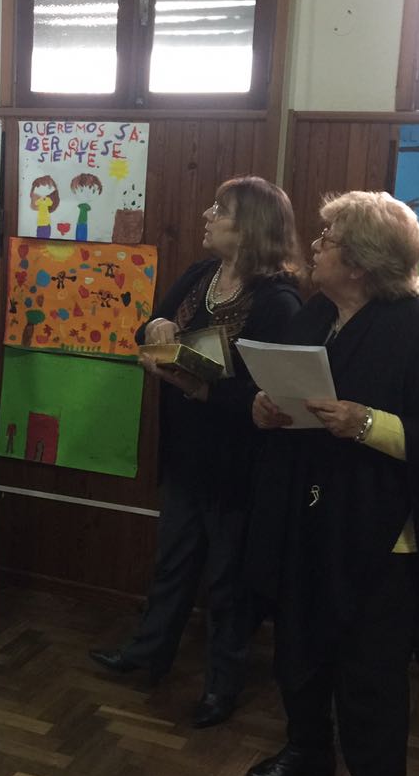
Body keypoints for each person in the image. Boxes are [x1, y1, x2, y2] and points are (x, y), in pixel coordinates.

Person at [245, 191, 419, 776]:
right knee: (299, 647)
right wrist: (267, 407)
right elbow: (290, 394)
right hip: (309, 515)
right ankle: (308, 751)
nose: (315, 246)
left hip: (384, 538)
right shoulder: (317, 313)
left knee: (369, 678)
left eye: (327, 238)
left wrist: (367, 424)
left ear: (360, 262)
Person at [89, 177, 304, 727]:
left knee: (229, 582)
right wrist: (157, 328)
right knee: (173, 561)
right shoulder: (200, 274)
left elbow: (265, 396)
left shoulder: (278, 301)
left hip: (239, 463)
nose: (207, 215)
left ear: (249, 227)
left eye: (220, 209)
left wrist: (196, 385)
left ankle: (221, 687)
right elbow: (149, 331)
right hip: (186, 450)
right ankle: (148, 654)